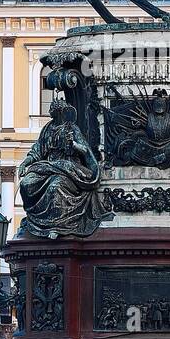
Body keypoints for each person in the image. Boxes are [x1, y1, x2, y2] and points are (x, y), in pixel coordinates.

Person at [18, 98, 108, 238]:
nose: (52, 114)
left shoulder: (71, 128)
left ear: (62, 112)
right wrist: (25, 163)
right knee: (26, 184)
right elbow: (37, 150)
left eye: (55, 112)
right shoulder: (47, 128)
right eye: (52, 111)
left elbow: (85, 150)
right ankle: (35, 223)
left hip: (69, 167)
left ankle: (57, 226)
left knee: (55, 187)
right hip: (49, 166)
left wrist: (73, 145)